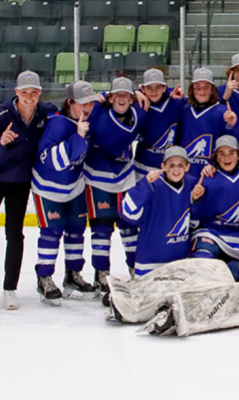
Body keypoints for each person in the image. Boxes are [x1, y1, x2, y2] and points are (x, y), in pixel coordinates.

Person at [0, 70, 59, 310]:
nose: (29, 97)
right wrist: (0, 143)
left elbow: (70, 109)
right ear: (16, 92)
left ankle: (9, 288)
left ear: (40, 93)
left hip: (20, 183)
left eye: (34, 92)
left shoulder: (45, 112)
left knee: (15, 234)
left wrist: (104, 98)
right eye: (24, 92)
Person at [31, 81, 104, 306]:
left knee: (76, 230)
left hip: (75, 187)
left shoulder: (87, 115)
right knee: (51, 232)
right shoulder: (57, 124)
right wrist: (78, 137)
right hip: (47, 188)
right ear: (69, 103)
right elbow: (54, 161)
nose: (87, 107)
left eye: (89, 102)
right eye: (82, 103)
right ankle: (44, 277)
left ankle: (72, 275)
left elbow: (108, 99)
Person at [82, 77, 146, 291]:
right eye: (116, 94)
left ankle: (135, 269)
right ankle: (101, 273)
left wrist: (138, 92)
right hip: (96, 177)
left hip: (125, 175)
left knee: (129, 226)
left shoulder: (138, 113)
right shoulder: (98, 113)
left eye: (126, 95)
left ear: (131, 99)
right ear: (110, 98)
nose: (121, 98)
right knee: (101, 228)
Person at [121, 146, 197, 277]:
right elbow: (128, 212)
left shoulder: (192, 185)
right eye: (171, 165)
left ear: (187, 167)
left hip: (181, 264)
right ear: (163, 166)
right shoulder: (152, 186)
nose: (176, 169)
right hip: (149, 264)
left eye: (180, 165)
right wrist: (144, 184)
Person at [190, 136, 239, 262]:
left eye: (231, 152)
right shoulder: (207, 179)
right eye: (221, 153)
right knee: (202, 260)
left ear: (238, 156)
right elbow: (195, 218)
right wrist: (195, 200)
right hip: (211, 232)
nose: (226, 158)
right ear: (216, 157)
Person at [181, 68, 238, 177]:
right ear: (192, 89)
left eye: (206, 86)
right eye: (197, 87)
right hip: (186, 175)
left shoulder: (222, 111)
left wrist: (234, 125)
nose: (202, 91)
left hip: (212, 174)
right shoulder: (184, 110)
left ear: (212, 90)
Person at [133, 68, 186, 175]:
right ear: (143, 88)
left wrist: (169, 92)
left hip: (169, 166)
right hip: (142, 165)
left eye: (158, 87)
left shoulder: (177, 102)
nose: (154, 91)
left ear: (164, 88)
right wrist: (134, 92)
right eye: (149, 88)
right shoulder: (138, 104)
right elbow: (113, 97)